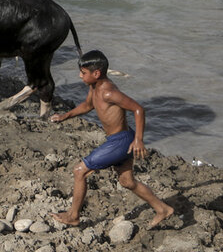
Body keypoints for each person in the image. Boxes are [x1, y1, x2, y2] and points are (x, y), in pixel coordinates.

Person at [49, 49, 174, 229]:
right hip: (119, 139)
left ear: (96, 73)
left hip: (121, 141)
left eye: (83, 73)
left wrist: (138, 139)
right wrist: (65, 116)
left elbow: (138, 109)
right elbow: (88, 105)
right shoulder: (94, 87)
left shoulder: (108, 91)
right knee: (127, 182)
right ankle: (162, 209)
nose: (80, 76)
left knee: (79, 171)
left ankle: (73, 216)